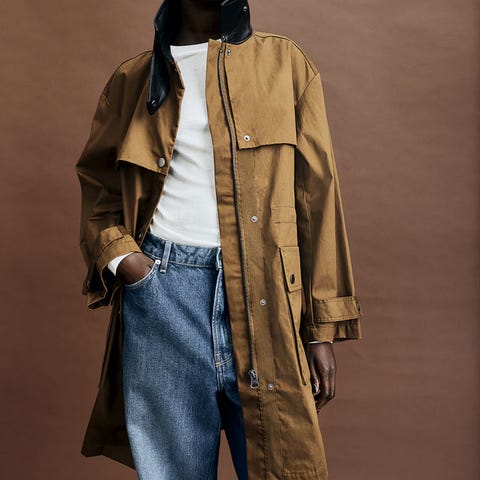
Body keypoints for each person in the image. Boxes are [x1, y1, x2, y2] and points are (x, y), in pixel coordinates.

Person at [75, 1, 364, 479]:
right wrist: (126, 261)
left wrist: (320, 327)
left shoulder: (287, 66)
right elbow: (98, 186)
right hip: (162, 296)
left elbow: (317, 199)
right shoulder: (132, 80)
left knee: (283, 467)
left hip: (266, 297)